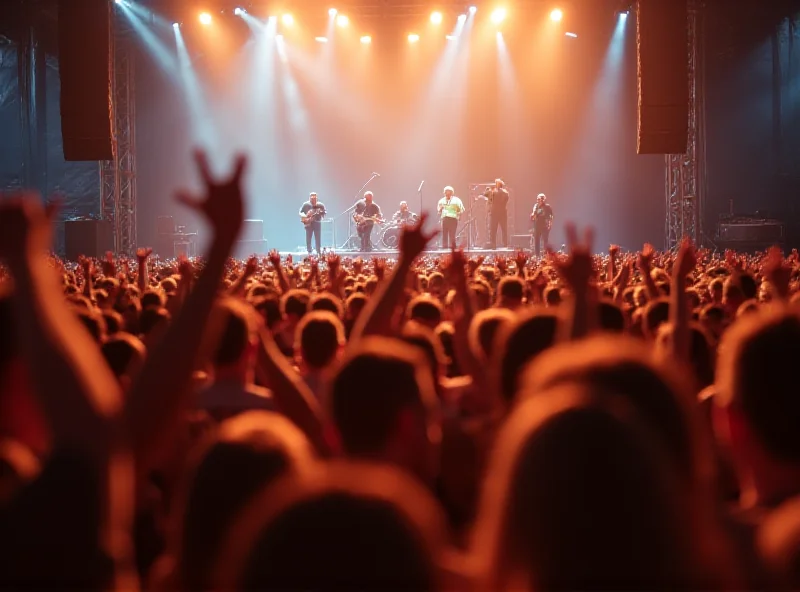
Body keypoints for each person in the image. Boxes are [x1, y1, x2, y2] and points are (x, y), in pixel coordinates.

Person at [487, 178, 509, 250]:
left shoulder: (496, 192)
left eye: (496, 183)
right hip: (499, 212)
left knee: (495, 229)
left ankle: (495, 244)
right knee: (501, 229)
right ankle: (503, 244)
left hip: (497, 212)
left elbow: (490, 199)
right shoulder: (504, 192)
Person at [530, 193, 554, 257]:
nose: (538, 200)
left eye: (540, 199)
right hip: (537, 225)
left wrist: (550, 223)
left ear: (543, 199)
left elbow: (551, 215)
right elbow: (533, 215)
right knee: (536, 240)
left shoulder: (547, 206)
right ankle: (537, 255)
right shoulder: (536, 206)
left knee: (545, 240)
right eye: (538, 199)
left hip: (544, 225)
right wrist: (533, 216)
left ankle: (545, 254)